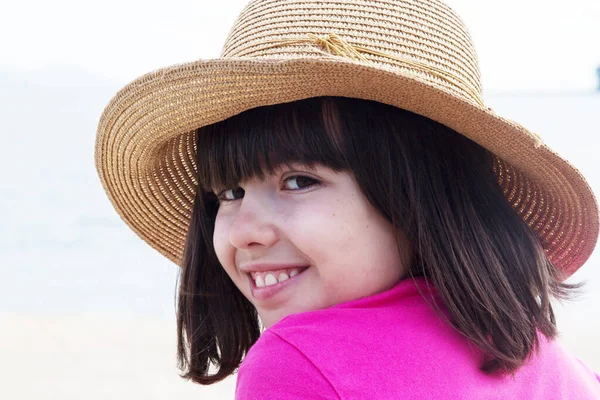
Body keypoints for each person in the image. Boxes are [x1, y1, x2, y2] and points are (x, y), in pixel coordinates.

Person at [94, 0, 600, 398]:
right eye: (229, 192)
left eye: (298, 181)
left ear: (417, 197)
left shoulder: (299, 363)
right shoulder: (539, 351)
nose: (245, 229)